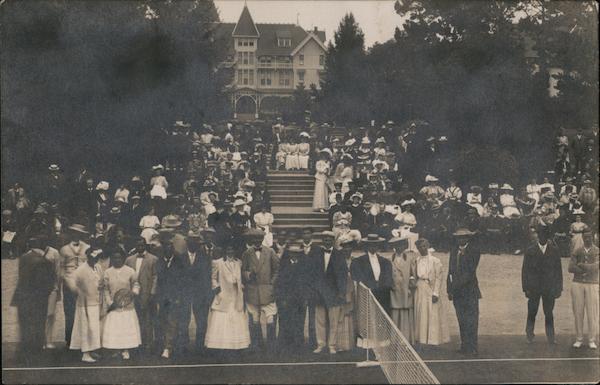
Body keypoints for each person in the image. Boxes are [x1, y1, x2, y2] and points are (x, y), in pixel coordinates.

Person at [11, 236, 56, 364]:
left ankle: (23, 354)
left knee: (25, 326)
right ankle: (34, 354)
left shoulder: (24, 258)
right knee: (38, 326)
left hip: (22, 297)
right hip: (37, 299)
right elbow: (48, 284)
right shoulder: (45, 262)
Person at [521, 224, 563, 344]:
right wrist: (526, 288)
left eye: (545, 235)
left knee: (549, 313)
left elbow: (558, 271)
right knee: (532, 312)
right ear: (538, 236)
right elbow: (525, 271)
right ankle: (529, 335)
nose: (543, 237)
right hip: (534, 288)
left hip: (549, 288)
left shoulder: (554, 251)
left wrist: (558, 288)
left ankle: (551, 337)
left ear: (548, 237)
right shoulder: (530, 250)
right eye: (541, 235)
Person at [307, 231, 347, 354]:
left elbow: (343, 275)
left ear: (333, 241)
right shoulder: (315, 253)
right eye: (325, 239)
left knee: (334, 321)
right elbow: (310, 273)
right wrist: (312, 290)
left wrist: (341, 292)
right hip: (319, 292)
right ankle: (321, 344)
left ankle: (332, 345)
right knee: (320, 320)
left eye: (330, 239)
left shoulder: (339, 254)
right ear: (322, 240)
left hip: (333, 293)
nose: (327, 241)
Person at [205, 245, 251, 350]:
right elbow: (213, 277)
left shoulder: (239, 263)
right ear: (225, 251)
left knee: (236, 316)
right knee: (221, 318)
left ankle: (236, 344)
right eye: (228, 249)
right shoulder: (218, 263)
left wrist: (242, 287)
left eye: (232, 249)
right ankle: (219, 344)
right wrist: (216, 287)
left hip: (236, 295)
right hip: (223, 294)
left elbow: (240, 278)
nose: (230, 251)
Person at [242, 229, 279, 351]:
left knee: (270, 318)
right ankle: (256, 344)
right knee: (254, 319)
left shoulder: (270, 252)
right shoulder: (247, 253)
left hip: (267, 290)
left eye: (259, 238)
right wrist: (248, 275)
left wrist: (271, 284)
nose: (257, 241)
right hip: (252, 290)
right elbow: (243, 270)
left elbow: (276, 270)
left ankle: (271, 345)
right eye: (254, 239)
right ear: (252, 240)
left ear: (263, 239)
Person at [101, 248, 142, 360]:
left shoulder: (130, 271)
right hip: (114, 307)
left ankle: (126, 350)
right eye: (114, 257)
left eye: (119, 257)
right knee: (116, 328)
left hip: (127, 306)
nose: (117, 260)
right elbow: (105, 290)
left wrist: (133, 293)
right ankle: (116, 350)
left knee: (125, 328)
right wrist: (110, 303)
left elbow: (136, 285)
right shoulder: (107, 272)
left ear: (123, 258)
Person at [447, 229, 481, 355]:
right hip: (457, 292)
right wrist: (449, 289)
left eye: (463, 237)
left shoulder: (474, 251)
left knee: (472, 319)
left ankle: (473, 347)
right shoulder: (454, 251)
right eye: (458, 238)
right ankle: (464, 345)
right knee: (461, 319)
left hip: (470, 291)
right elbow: (450, 271)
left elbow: (470, 272)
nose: (461, 240)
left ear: (468, 238)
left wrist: (456, 285)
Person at [412, 238, 450, 346]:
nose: (422, 248)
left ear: (428, 246)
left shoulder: (435, 260)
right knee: (421, 312)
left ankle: (433, 339)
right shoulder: (416, 260)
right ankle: (421, 338)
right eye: (420, 247)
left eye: (424, 246)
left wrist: (436, 293)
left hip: (431, 288)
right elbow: (414, 275)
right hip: (420, 288)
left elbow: (439, 277)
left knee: (432, 312)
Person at [180, 230, 213, 354]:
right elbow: (178, 278)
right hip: (185, 293)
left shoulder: (205, 257)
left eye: (196, 243)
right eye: (191, 242)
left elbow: (208, 277)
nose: (193, 245)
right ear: (187, 243)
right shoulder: (181, 257)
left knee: (201, 320)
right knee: (184, 319)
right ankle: (183, 344)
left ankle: (200, 345)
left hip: (200, 294)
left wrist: (207, 295)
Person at [125, 237, 158, 353]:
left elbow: (155, 276)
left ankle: (148, 343)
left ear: (145, 245)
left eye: (142, 245)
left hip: (146, 292)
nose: (140, 247)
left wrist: (152, 292)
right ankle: (135, 343)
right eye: (138, 245)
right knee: (134, 318)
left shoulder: (153, 259)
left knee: (147, 319)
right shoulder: (129, 259)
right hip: (133, 294)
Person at [70, 247, 103, 363]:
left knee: (94, 328)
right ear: (88, 257)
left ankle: (92, 349)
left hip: (96, 302)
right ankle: (85, 353)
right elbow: (72, 284)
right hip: (85, 304)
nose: (95, 259)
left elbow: (100, 281)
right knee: (86, 328)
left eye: (97, 257)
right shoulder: (81, 270)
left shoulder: (98, 267)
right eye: (92, 257)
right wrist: (80, 293)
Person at [60, 224, 91, 348]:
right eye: (73, 233)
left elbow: (90, 265)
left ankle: (85, 340)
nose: (76, 235)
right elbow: (61, 268)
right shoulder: (64, 249)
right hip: (69, 282)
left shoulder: (87, 247)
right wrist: (66, 280)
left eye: (78, 233)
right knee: (70, 311)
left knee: (85, 310)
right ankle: (69, 340)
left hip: (84, 282)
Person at [276, 244, 310, 352]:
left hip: (300, 298)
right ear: (289, 253)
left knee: (299, 321)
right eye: (292, 253)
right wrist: (283, 299)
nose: (294, 255)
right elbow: (280, 283)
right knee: (286, 320)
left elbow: (306, 283)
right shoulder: (283, 265)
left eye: (297, 253)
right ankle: (285, 344)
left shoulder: (304, 265)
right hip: (287, 298)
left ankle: (298, 344)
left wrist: (305, 298)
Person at [568, 230, 599, 349]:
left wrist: (582, 265)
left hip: (592, 284)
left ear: (593, 237)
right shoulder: (577, 250)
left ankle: (592, 339)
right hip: (578, 283)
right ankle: (579, 338)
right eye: (585, 237)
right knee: (578, 312)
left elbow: (596, 267)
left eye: (590, 237)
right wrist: (586, 269)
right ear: (582, 238)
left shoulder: (597, 250)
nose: (588, 239)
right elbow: (570, 267)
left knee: (593, 312)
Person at [156, 231, 184, 359]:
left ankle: (169, 347)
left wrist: (178, 296)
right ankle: (164, 345)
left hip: (174, 296)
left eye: (169, 245)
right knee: (162, 321)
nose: (167, 247)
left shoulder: (179, 259)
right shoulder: (159, 259)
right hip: (162, 296)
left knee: (173, 322)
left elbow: (183, 280)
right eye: (165, 245)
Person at [351, 234, 393, 313]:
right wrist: (370, 288)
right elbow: (358, 278)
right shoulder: (359, 261)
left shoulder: (385, 262)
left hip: (382, 293)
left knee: (382, 315)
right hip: (368, 292)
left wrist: (382, 288)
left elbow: (388, 278)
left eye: (375, 244)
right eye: (371, 244)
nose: (373, 247)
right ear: (366, 246)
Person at [389, 236, 417, 344]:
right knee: (395, 313)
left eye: (401, 245)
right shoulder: (391, 258)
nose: (399, 247)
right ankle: (394, 339)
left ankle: (406, 338)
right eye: (396, 246)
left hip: (406, 290)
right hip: (395, 290)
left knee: (405, 313)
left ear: (405, 246)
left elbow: (413, 275)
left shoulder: (410, 259)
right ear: (394, 247)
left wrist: (411, 286)